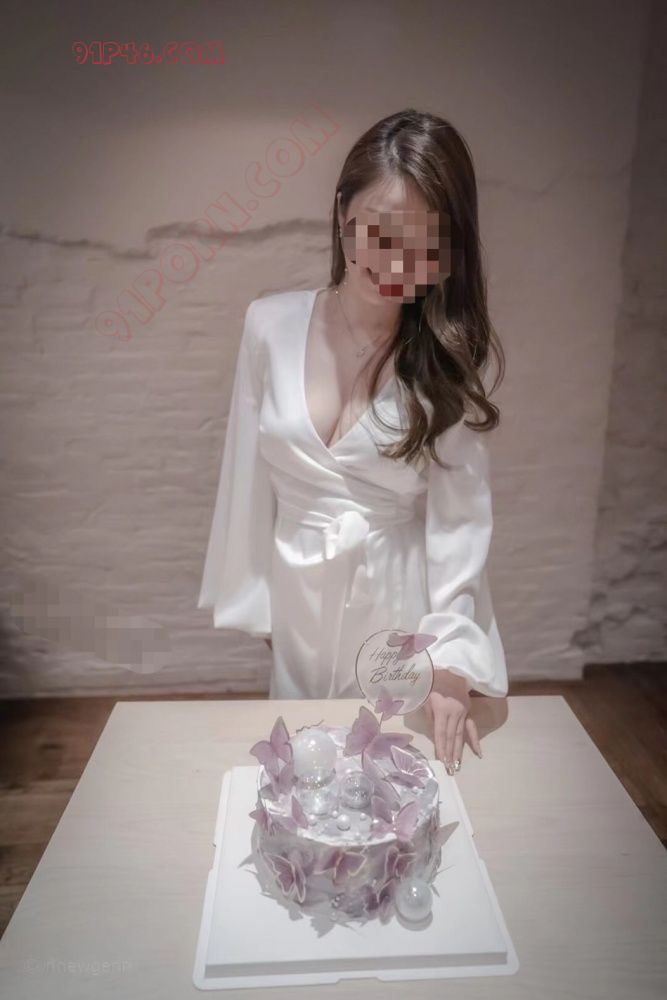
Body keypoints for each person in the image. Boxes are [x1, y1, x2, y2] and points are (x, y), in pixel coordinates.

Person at [198, 108, 508, 775]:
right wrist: (263, 612)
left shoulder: (448, 359)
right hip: (298, 601)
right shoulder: (268, 326)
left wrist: (449, 662)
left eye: (426, 248)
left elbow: (459, 525)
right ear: (343, 215)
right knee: (303, 782)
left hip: (396, 612)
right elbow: (247, 481)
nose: (400, 265)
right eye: (382, 233)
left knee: (388, 784)